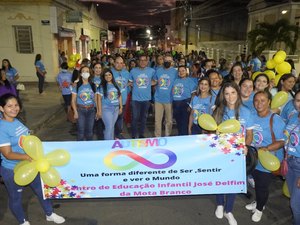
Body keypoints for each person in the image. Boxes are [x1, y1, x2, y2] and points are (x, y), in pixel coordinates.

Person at [0, 94, 65, 225]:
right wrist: (28, 157)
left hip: (31, 165)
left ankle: (49, 213)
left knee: (42, 191)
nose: (14, 108)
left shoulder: (16, 121)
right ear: (1, 108)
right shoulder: (2, 128)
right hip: (12, 169)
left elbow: (27, 140)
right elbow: (7, 154)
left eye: (16, 105)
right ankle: (23, 221)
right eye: (9, 106)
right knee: (16, 198)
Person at [213, 82, 254, 225]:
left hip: (238, 153)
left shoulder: (246, 111)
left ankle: (228, 210)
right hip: (222, 151)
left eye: (233, 93)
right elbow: (212, 132)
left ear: (238, 93)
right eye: (227, 93)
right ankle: (219, 203)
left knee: (234, 182)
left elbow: (249, 133)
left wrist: (246, 146)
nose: (230, 96)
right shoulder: (218, 110)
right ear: (223, 96)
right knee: (220, 177)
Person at [245, 91, 285, 222]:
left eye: (263, 100)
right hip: (253, 158)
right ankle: (258, 202)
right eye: (256, 100)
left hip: (267, 159)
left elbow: (281, 141)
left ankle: (260, 209)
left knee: (262, 186)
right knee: (257, 184)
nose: (259, 103)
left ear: (269, 102)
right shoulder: (251, 116)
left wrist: (266, 148)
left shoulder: (276, 119)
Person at [129, 54, 155, 139]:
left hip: (146, 99)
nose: (143, 62)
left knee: (143, 118)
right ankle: (134, 135)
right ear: (138, 61)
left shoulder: (151, 71)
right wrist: (134, 86)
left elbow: (156, 81)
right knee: (135, 118)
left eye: (145, 60)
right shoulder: (133, 71)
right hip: (135, 99)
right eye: (141, 60)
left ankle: (141, 134)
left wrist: (149, 85)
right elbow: (129, 82)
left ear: (147, 61)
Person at [284, 90, 300, 225]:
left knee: (295, 204)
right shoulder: (294, 117)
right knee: (295, 199)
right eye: (298, 100)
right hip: (290, 162)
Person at [71, 66, 97, 141]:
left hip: (91, 110)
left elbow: (95, 99)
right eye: (83, 71)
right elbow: (73, 100)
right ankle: (79, 150)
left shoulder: (93, 84)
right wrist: (75, 112)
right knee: (81, 132)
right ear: (81, 73)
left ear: (90, 73)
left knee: (90, 132)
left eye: (87, 71)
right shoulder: (77, 85)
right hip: (80, 110)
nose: (85, 73)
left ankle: (88, 149)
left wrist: (97, 110)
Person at [153, 54, 177, 137]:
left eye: (169, 61)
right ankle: (157, 136)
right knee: (157, 120)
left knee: (169, 121)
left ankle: (167, 136)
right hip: (158, 99)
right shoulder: (158, 70)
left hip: (169, 99)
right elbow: (155, 81)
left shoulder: (175, 72)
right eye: (166, 60)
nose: (167, 62)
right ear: (163, 61)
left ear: (172, 62)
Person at [97, 68, 122, 140]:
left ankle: (111, 143)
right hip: (106, 109)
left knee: (112, 127)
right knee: (109, 127)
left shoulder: (116, 85)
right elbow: (99, 99)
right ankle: (107, 146)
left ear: (112, 75)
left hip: (116, 109)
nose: (108, 76)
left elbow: (119, 96)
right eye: (106, 75)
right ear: (104, 77)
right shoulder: (101, 86)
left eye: (109, 75)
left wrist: (121, 107)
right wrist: (99, 111)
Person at [172, 65, 197, 136]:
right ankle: (180, 135)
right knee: (178, 122)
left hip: (185, 103)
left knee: (184, 122)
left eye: (183, 70)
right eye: (179, 71)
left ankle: (184, 136)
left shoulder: (190, 81)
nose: (181, 72)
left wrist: (190, 105)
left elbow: (193, 94)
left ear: (186, 71)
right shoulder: (176, 80)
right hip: (176, 103)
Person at [111, 56, 130, 139]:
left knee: (120, 120)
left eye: (121, 63)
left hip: (123, 101)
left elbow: (129, 85)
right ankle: (111, 137)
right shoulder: (109, 72)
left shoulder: (127, 73)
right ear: (114, 63)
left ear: (123, 64)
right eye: (117, 63)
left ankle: (118, 136)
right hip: (112, 102)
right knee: (111, 121)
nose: (119, 65)